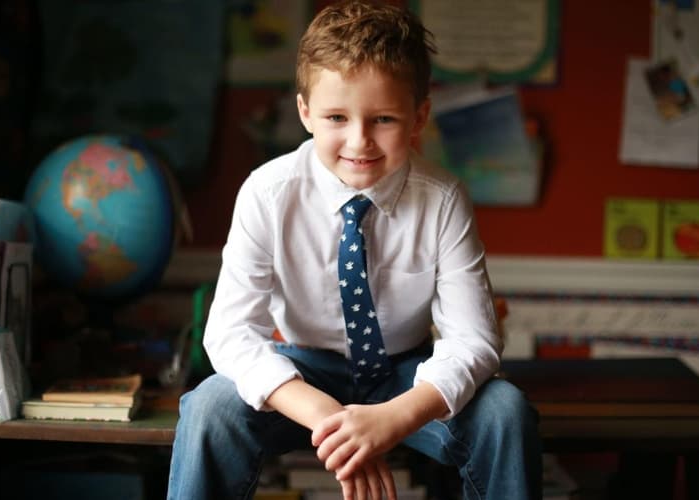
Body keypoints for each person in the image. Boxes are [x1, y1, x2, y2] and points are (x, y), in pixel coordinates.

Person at [167, 1, 541, 499]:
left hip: (404, 376)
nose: (359, 141)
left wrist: (390, 419)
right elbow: (231, 335)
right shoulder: (267, 192)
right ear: (305, 113)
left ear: (418, 117)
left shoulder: (443, 198)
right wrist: (326, 414)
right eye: (337, 116)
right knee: (209, 407)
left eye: (383, 118)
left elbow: (474, 341)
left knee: (505, 410)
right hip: (301, 376)